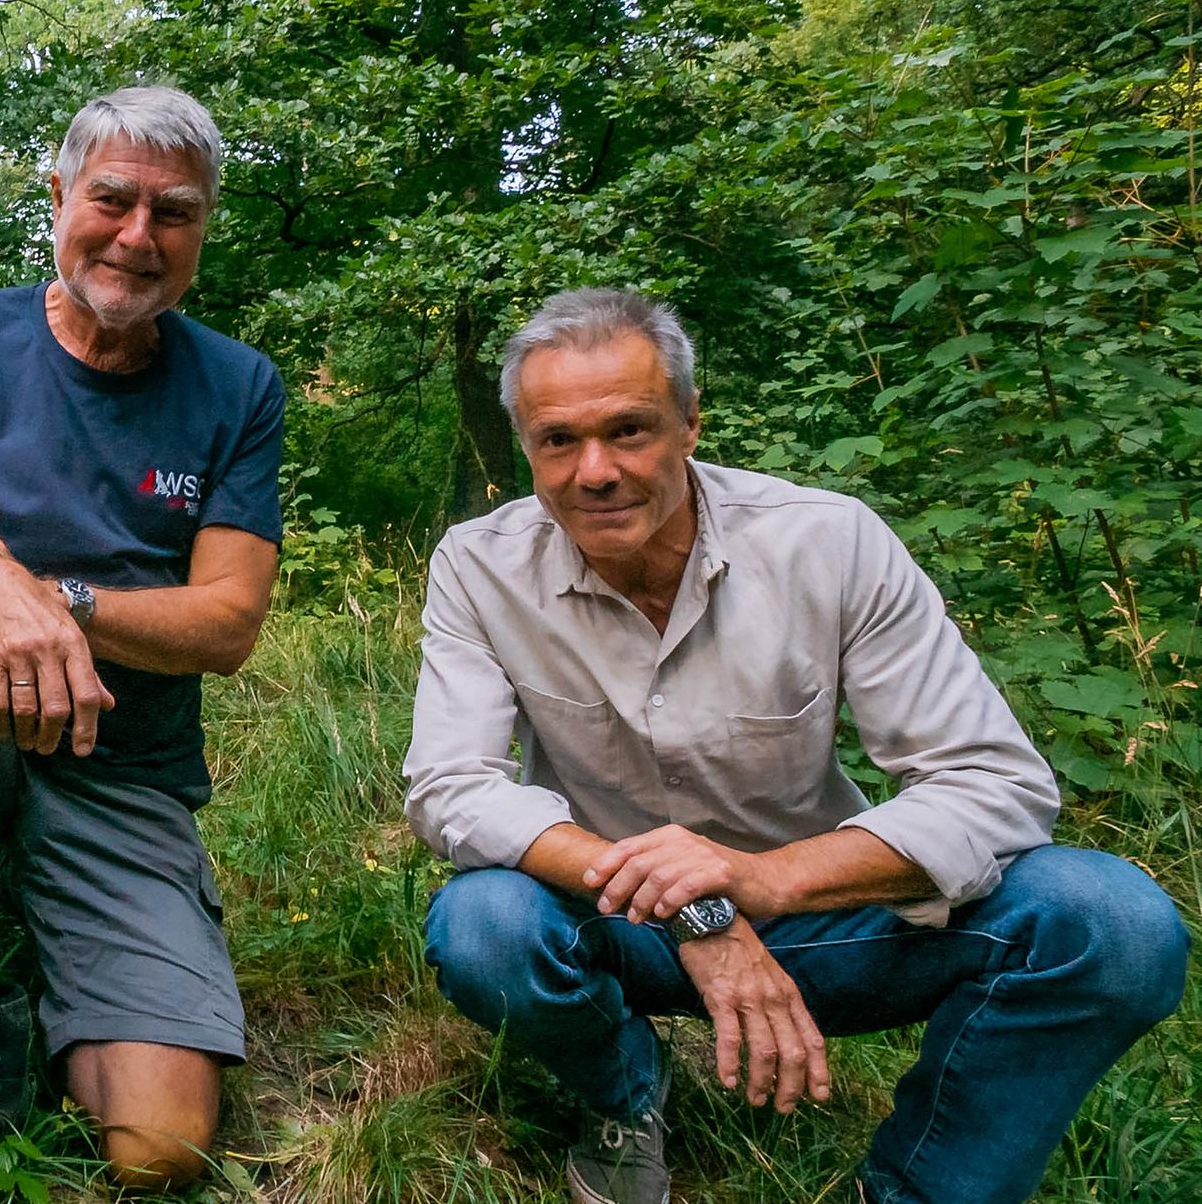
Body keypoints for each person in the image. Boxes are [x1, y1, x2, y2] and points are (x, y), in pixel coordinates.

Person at [402, 287, 1188, 1204]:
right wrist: (696, 912)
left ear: (691, 424)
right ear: (527, 448)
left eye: (630, 430)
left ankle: (926, 1186)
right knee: (484, 926)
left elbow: (992, 785)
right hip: (616, 924)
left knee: (1113, 924)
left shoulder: (828, 541)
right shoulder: (478, 564)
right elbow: (453, 786)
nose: (596, 471)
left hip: (830, 917)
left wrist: (760, 882)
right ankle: (625, 1092)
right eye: (558, 441)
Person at [0, 86, 284, 1201]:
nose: (138, 236)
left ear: (204, 227)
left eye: (173, 213)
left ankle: (52, 913)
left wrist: (54, 595)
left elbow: (227, 622)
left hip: (126, 770)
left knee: (162, 1148)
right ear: (58, 197)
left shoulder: (239, 385)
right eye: (112, 199)